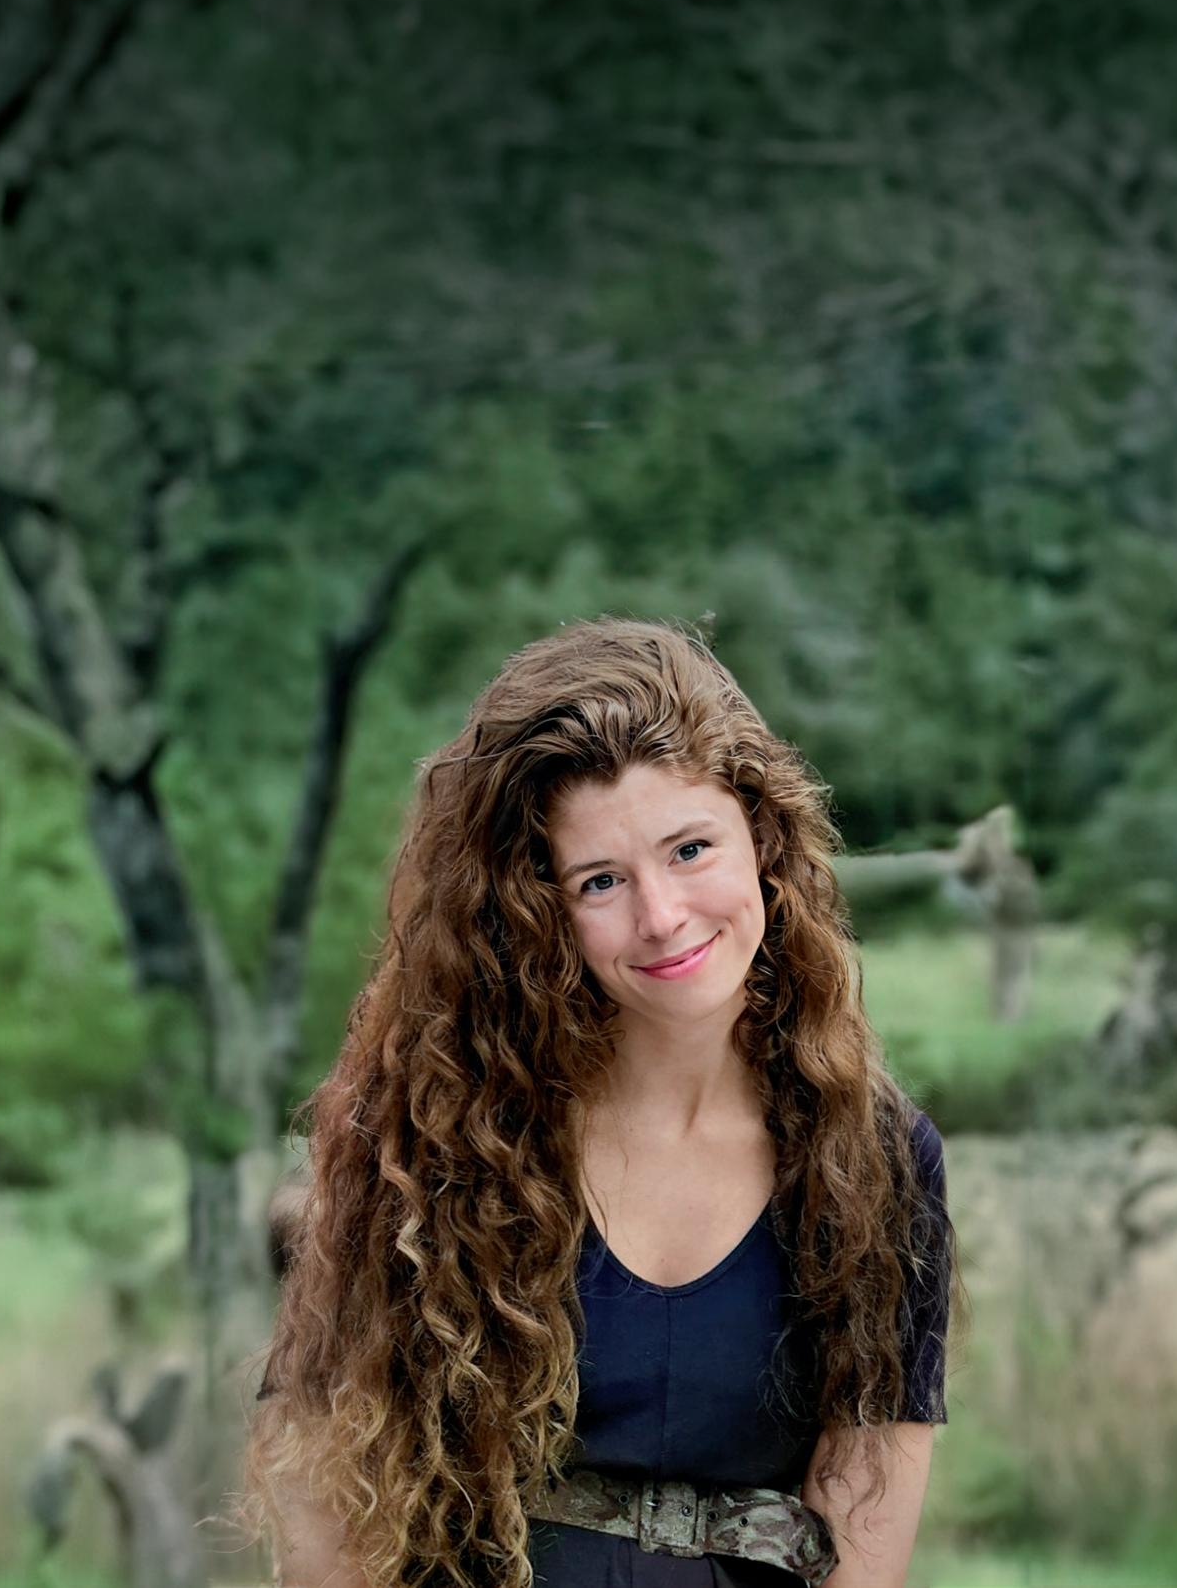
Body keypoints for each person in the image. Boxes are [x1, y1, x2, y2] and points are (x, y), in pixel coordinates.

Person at [235, 616, 961, 1588]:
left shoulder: (876, 1157)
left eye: (690, 848)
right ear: (533, 908)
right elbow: (322, 1504)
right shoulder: (424, 1135)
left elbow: (863, 1533)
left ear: (761, 838)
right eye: (601, 880)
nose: (661, 915)